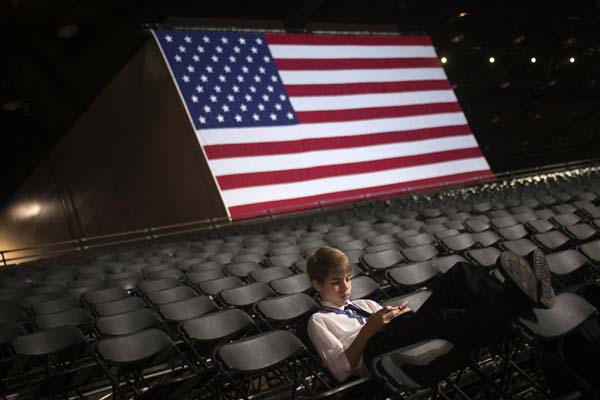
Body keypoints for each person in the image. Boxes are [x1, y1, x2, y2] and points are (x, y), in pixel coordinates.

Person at [306, 247, 555, 382]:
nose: (345, 287)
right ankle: (515, 305)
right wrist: (370, 328)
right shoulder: (318, 321)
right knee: (445, 318)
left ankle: (518, 298)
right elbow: (340, 372)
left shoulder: (365, 303)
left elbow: (394, 327)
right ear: (317, 285)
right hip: (375, 355)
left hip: (392, 333)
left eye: (348, 279)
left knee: (460, 274)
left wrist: (396, 315)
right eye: (336, 282)